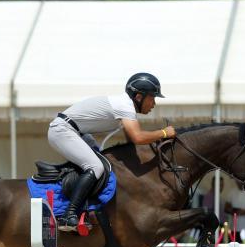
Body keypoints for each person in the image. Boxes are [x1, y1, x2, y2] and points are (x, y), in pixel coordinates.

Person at [48, 73, 172, 232]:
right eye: (152, 98)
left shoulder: (126, 106)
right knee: (96, 167)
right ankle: (68, 214)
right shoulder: (125, 106)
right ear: (139, 97)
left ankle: (86, 209)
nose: (154, 103)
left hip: (77, 132)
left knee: (104, 163)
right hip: (63, 130)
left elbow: (131, 144)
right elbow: (138, 137)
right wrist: (164, 133)